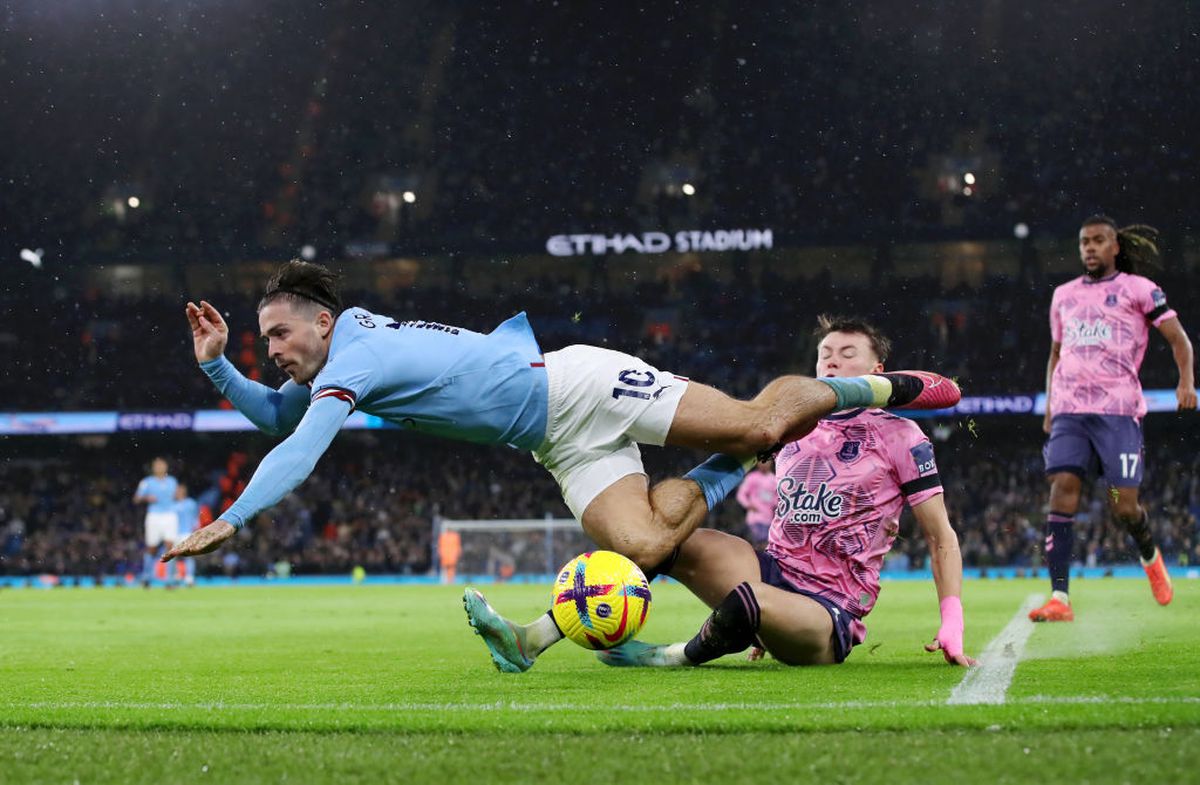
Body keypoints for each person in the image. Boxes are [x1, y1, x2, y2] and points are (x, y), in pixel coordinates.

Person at [164, 260, 959, 584]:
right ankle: (730, 466)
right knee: (646, 547)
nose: (269, 350)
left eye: (277, 334)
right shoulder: (342, 358)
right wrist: (213, 364)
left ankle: (875, 388)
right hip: (552, 437)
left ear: (324, 323)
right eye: (260, 338)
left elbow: (300, 446)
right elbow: (276, 417)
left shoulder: (355, 357)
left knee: (758, 423)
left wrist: (232, 516)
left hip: (577, 383)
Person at [469, 315, 975, 671]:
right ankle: (531, 638)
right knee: (656, 542)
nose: (833, 363)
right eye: (825, 355)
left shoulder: (901, 437)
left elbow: (941, 537)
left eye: (848, 355)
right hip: (771, 568)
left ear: (878, 373)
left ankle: (672, 656)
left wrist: (951, 620)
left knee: (749, 601)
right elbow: (732, 460)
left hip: (829, 612)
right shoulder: (794, 426)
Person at [1029, 216, 1195, 622]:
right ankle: (1060, 598)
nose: (1089, 248)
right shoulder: (1063, 295)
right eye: (1084, 241)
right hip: (1070, 410)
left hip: (1118, 411)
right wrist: (1052, 405)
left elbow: (1178, 339)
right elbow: (1055, 354)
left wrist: (1185, 382)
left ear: (1115, 246)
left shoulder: (1139, 290)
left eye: (1098, 241)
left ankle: (1149, 554)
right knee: (1062, 488)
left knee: (1123, 506)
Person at [133, 457, 178, 586]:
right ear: (153, 468)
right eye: (157, 465)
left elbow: (175, 497)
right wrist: (146, 497)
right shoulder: (147, 482)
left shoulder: (172, 481)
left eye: (162, 465)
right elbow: (136, 499)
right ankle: (146, 577)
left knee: (171, 547)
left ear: (166, 467)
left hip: (170, 515)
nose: (160, 468)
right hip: (154, 516)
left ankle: (170, 579)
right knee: (152, 548)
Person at [734, 459, 775, 548]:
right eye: (762, 461)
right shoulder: (752, 477)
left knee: (767, 547)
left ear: (771, 463)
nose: (764, 464)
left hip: (769, 520)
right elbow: (741, 494)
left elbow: (777, 498)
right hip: (754, 518)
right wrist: (748, 505)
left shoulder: (774, 479)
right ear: (757, 463)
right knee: (757, 545)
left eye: (767, 461)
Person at [173, 483, 200, 587]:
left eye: (178, 491)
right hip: (175, 534)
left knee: (189, 556)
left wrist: (196, 531)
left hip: (187, 533)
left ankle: (189, 578)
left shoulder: (191, 503)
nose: (176, 493)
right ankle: (176, 576)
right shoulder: (172, 505)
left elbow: (196, 518)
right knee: (173, 556)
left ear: (183, 492)